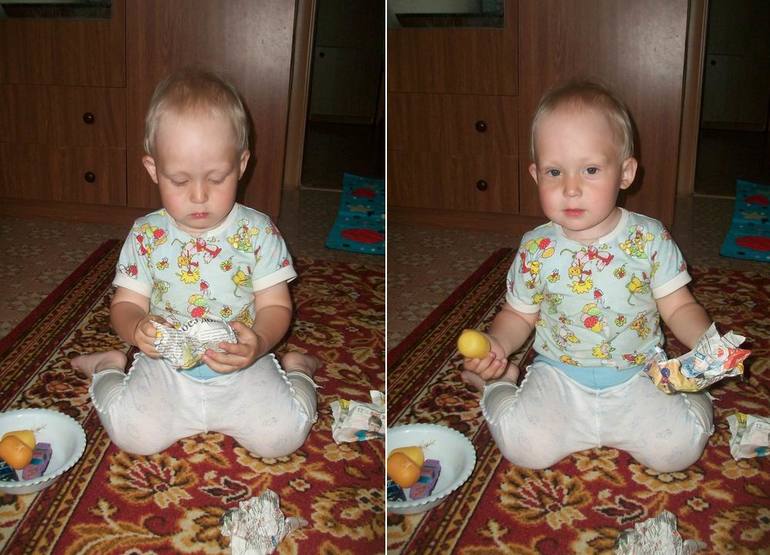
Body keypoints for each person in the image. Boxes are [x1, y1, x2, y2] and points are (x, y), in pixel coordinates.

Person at [461, 80, 714, 472]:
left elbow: (679, 306)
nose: (571, 189)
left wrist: (706, 344)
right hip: (559, 375)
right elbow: (519, 315)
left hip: (639, 373)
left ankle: (694, 392)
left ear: (625, 173)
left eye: (591, 170)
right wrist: (498, 343)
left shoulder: (649, 238)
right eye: (555, 172)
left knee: (676, 452)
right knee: (526, 449)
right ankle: (499, 384)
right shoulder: (535, 248)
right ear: (536, 175)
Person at [72, 68, 319, 457]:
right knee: (134, 436)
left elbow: (275, 306)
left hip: (242, 362)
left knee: (282, 438)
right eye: (180, 181)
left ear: (241, 164)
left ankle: (299, 369)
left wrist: (259, 343)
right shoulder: (146, 235)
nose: (199, 196)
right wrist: (135, 328)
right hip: (166, 365)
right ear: (154, 170)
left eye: (217, 178)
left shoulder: (258, 232)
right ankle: (107, 367)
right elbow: (126, 305)